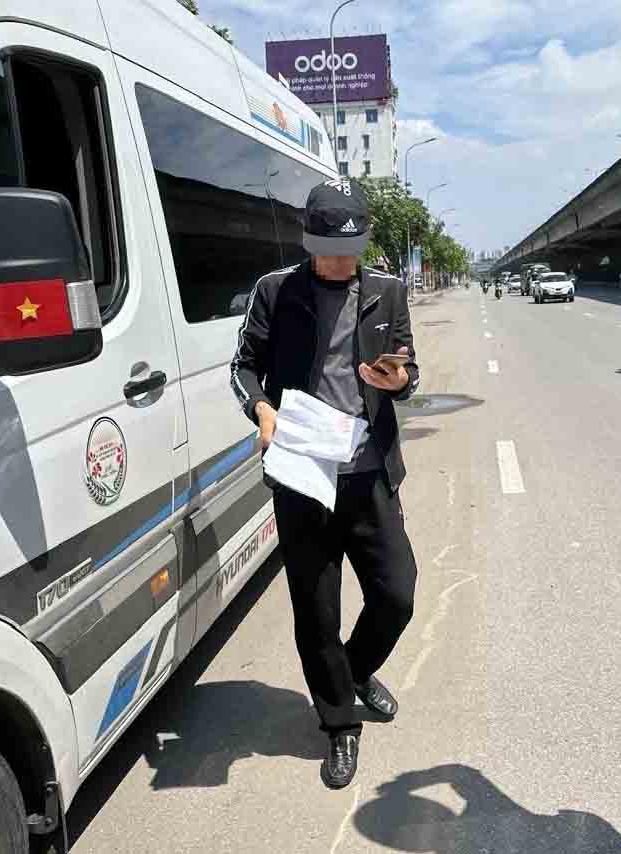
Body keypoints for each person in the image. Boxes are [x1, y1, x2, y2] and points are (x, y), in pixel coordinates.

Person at [230, 177, 420, 790]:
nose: (341, 260)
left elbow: (407, 365)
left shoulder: (388, 291)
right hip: (303, 475)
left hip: (367, 473)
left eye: (352, 246)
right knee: (316, 612)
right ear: (309, 239)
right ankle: (339, 724)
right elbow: (244, 367)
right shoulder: (275, 292)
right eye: (329, 247)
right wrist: (262, 411)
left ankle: (355, 671)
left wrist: (398, 381)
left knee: (397, 593)